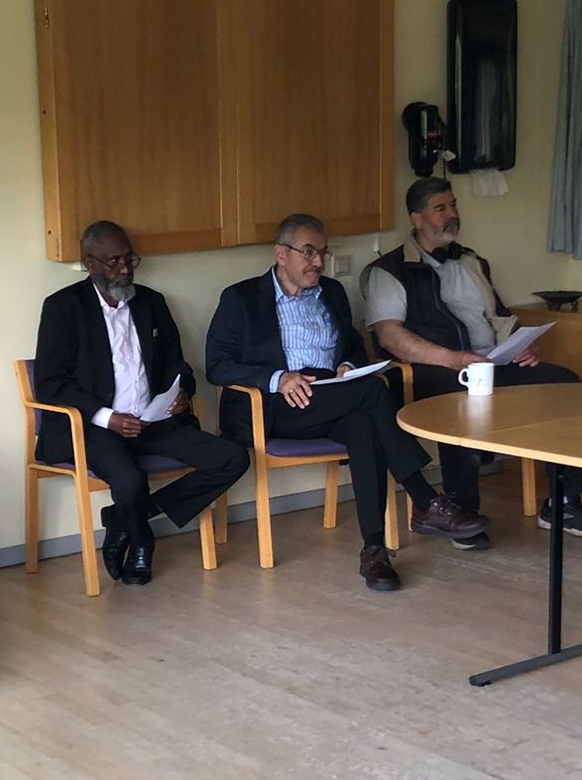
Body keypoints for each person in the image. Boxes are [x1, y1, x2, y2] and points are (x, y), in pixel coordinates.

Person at [205, 213, 488, 592]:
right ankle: (424, 499)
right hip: (272, 404)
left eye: (322, 252)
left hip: (330, 396)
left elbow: (353, 347)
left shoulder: (333, 292)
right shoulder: (241, 298)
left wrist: (348, 366)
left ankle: (374, 552)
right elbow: (217, 366)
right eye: (308, 252)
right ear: (281, 254)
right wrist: (278, 378)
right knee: (373, 392)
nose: (318, 262)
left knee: (363, 426)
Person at [362, 177, 582, 544]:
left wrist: (519, 345)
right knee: (461, 402)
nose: (452, 215)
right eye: (441, 208)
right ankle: (461, 510)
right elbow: (390, 337)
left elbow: (498, 318)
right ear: (417, 219)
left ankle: (563, 501)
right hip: (434, 371)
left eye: (453, 205)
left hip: (492, 364)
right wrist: (454, 359)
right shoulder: (390, 271)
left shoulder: (471, 261)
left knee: (565, 384)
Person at [33, 222, 247, 585]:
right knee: (130, 479)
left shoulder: (151, 302)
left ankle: (125, 518)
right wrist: (107, 418)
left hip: (154, 421)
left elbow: (177, 362)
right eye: (114, 261)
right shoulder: (63, 308)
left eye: (129, 259)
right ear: (90, 263)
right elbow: (50, 384)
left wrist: (182, 391)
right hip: (96, 428)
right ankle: (143, 540)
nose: (125, 269)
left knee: (232, 457)